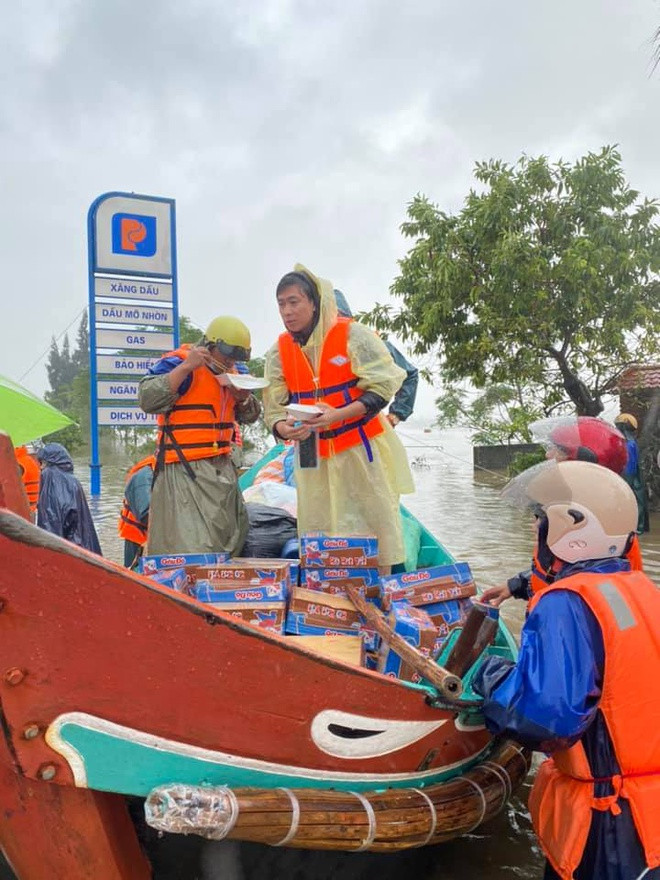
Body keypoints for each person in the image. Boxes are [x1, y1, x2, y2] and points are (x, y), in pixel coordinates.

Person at [473, 460, 660, 880]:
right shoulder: (639, 588)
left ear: (570, 526)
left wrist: (489, 677)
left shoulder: (566, 605)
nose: (536, 529)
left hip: (611, 825)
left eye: (541, 519)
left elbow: (543, 719)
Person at [263, 264, 414, 571]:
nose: (287, 311)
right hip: (311, 453)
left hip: (359, 448)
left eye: (294, 302)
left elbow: (382, 388)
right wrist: (283, 427)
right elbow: (273, 407)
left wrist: (337, 415)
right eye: (281, 304)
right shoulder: (279, 352)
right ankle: (328, 591)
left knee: (372, 526)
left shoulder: (353, 336)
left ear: (314, 303)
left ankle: (377, 589)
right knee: (320, 529)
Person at [480, 416, 641, 606]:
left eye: (558, 449)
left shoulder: (595, 534)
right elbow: (556, 572)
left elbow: (576, 594)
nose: (548, 455)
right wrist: (516, 585)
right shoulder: (574, 515)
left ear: (584, 461)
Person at [138, 317, 260, 555]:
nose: (229, 363)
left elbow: (251, 415)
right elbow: (146, 399)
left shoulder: (237, 373)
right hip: (184, 470)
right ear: (210, 346)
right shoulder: (177, 363)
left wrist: (243, 396)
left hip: (222, 469)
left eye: (235, 359)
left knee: (232, 536)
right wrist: (185, 368)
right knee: (190, 544)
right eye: (226, 357)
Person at [333, 289, 419, 427]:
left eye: (337, 316)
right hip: (321, 437)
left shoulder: (372, 346)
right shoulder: (307, 351)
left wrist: (395, 415)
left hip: (366, 433)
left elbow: (410, 374)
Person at [36, 443, 102, 554]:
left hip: (67, 550)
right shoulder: (73, 481)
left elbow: (51, 525)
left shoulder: (51, 480)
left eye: (42, 463)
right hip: (82, 546)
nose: (41, 468)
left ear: (51, 463)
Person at [614, 413, 650, 534]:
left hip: (630, 478)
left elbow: (630, 467)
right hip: (631, 477)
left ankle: (635, 528)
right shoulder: (628, 442)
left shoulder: (628, 444)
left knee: (634, 500)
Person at [118, 457, 154, 568]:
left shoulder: (163, 472)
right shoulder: (144, 477)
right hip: (138, 541)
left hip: (147, 537)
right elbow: (146, 514)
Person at [14, 444, 40, 516]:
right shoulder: (29, 460)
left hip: (21, 512)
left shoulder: (17, 464)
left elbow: (8, 487)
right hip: (31, 509)